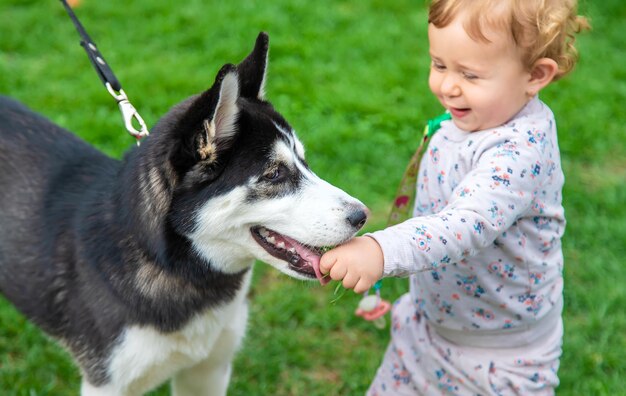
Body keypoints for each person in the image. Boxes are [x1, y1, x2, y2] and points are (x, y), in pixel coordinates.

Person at [319, 0, 589, 394]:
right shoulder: (477, 115)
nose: (447, 86)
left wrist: (381, 250)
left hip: (497, 359)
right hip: (427, 326)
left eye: (471, 74)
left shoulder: (518, 152)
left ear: (535, 75)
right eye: (439, 64)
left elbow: (464, 226)